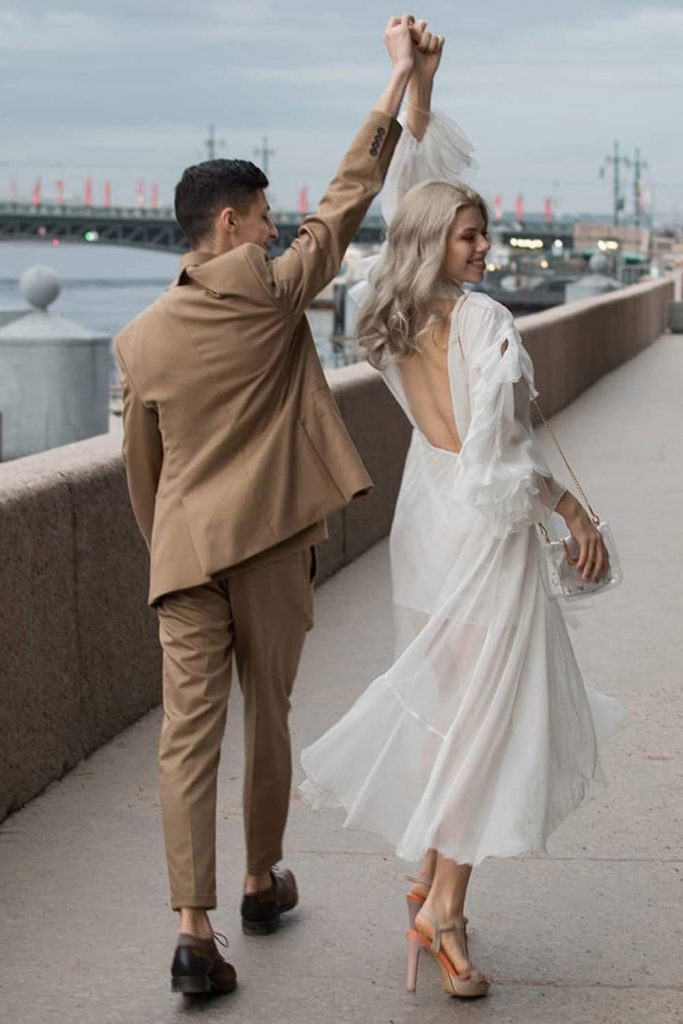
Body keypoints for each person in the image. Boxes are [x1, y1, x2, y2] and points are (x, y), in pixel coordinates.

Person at [115, 14, 435, 996]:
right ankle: (259, 879)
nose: (272, 225)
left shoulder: (139, 339)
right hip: (267, 548)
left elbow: (141, 467)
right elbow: (346, 201)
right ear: (229, 225)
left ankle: (192, 929)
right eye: (260, 215)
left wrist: (170, 545)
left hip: (179, 554)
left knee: (185, 735)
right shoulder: (267, 286)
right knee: (268, 717)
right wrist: (394, 84)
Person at [299, 43, 625, 1001]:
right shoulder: (481, 323)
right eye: (470, 237)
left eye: (484, 235)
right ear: (437, 242)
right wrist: (570, 510)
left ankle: (438, 899)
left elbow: (417, 180)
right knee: (487, 727)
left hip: (425, 518)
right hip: (480, 534)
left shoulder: (387, 310)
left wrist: (415, 84)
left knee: (462, 721)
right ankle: (441, 907)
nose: (485, 249)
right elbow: (500, 462)